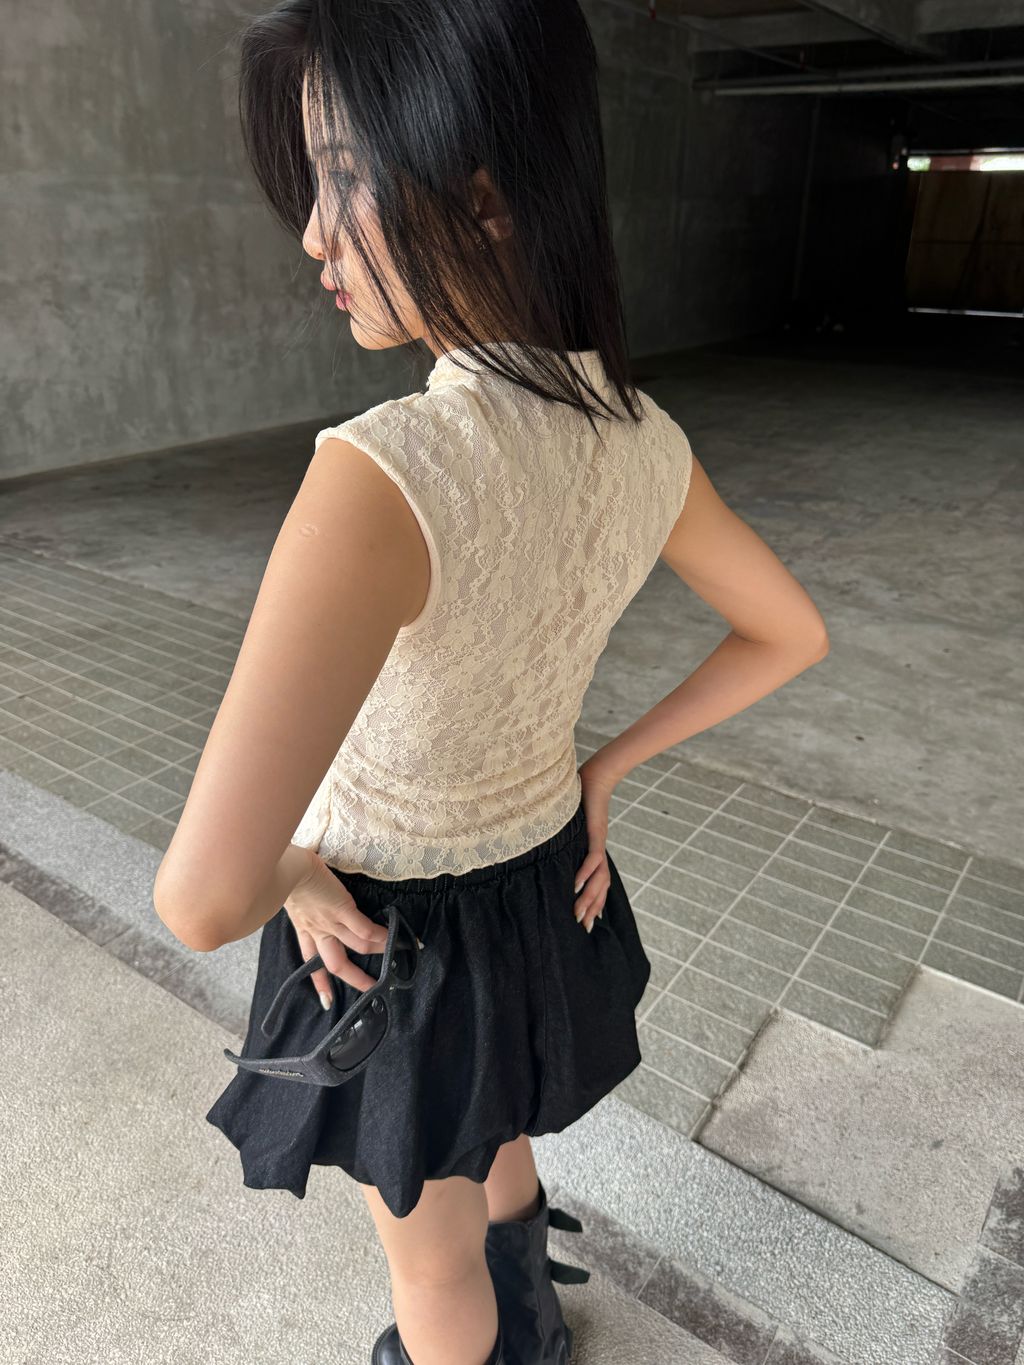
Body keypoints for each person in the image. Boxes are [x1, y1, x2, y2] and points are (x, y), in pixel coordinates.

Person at [152, 2, 830, 1363]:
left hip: (388, 930)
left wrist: (294, 869)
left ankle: (494, 1328)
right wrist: (603, 769)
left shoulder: (386, 471)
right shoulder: (640, 435)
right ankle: (533, 1315)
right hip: (537, 881)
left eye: (344, 175)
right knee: (496, 1118)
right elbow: (789, 631)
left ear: (482, 194)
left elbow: (201, 898)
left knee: (430, 1262)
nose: (314, 234)